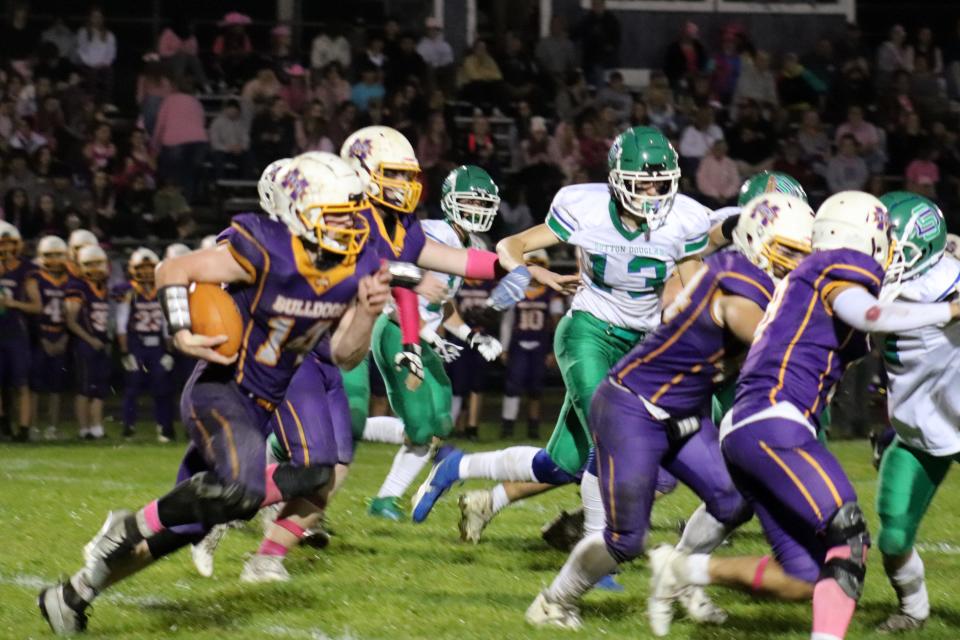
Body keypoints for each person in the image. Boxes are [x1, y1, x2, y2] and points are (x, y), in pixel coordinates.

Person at [38, 152, 394, 635]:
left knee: (243, 502)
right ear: (298, 212)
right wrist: (182, 331)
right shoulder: (266, 246)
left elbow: (344, 355)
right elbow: (173, 270)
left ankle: (74, 594)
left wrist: (369, 312)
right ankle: (129, 526)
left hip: (264, 407)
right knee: (243, 490)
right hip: (222, 392)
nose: (349, 226)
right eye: (336, 216)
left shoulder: (356, 264)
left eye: (351, 215)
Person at [647, 191, 960, 640]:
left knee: (804, 577)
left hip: (752, 425)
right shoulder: (837, 269)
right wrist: (950, 308)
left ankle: (682, 568)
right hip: (775, 419)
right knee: (849, 538)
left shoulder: (808, 277)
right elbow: (868, 314)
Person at [411, 128, 709, 566]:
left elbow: (692, 284)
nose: (650, 191)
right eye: (641, 181)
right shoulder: (584, 205)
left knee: (559, 466)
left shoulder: (687, 217)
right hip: (587, 331)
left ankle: (457, 467)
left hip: (639, 346)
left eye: (659, 182)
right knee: (610, 442)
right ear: (616, 178)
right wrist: (520, 270)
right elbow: (513, 243)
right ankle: (595, 559)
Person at [526, 192, 815, 631]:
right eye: (788, 251)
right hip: (635, 407)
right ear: (756, 241)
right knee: (626, 538)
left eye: (804, 254)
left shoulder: (763, 281)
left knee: (733, 501)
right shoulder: (739, 284)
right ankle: (553, 602)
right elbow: (773, 345)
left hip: (680, 407)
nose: (796, 262)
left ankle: (678, 579)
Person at [366, 164, 504, 518]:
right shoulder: (429, 233)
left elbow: (443, 304)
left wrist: (473, 337)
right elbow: (397, 288)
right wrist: (425, 333)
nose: (477, 210)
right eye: (470, 202)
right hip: (398, 330)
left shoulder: (467, 243)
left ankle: (387, 497)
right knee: (421, 426)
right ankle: (353, 430)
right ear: (450, 202)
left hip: (424, 337)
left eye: (482, 203)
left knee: (441, 421)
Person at [873, 193, 954, 632]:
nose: (880, 255)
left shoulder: (945, 282)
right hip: (918, 432)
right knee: (893, 535)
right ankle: (913, 609)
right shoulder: (874, 284)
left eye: (890, 247)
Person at [498, 250, 564, 440]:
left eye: (539, 265)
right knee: (512, 387)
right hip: (518, 344)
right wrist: (504, 346)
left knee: (536, 389)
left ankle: (533, 427)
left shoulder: (551, 293)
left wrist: (553, 349)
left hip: (540, 344)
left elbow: (557, 323)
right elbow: (507, 321)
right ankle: (508, 426)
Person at [114, 249, 174, 442]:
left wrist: (170, 351)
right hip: (136, 344)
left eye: (150, 268)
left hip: (157, 345)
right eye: (142, 268)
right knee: (132, 388)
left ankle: (164, 427)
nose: (147, 273)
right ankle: (128, 426)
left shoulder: (163, 290)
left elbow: (166, 322)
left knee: (162, 387)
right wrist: (124, 352)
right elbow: (121, 323)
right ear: (132, 269)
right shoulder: (128, 291)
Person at [24, 236, 71, 441]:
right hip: (39, 336)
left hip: (61, 334)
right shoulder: (34, 277)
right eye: (48, 255)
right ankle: (33, 426)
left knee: (56, 387)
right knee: (35, 386)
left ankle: (53, 426)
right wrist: (41, 337)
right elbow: (33, 313)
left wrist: (64, 338)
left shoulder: (70, 279)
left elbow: (74, 314)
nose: (53, 259)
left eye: (57, 255)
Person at [65, 244, 110, 440]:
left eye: (97, 264)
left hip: (99, 342)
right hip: (85, 344)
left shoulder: (104, 288)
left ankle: (97, 427)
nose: (94, 269)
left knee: (99, 388)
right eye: (89, 264)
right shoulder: (77, 288)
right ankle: (84, 429)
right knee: (84, 388)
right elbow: (70, 321)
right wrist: (91, 339)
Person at [0, 221, 36, 441]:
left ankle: (23, 429)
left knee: (21, 383)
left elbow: (37, 305)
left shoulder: (25, 269)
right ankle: (3, 420)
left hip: (15, 332)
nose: (5, 248)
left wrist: (13, 304)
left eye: (9, 243)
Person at [76, 7, 116, 104]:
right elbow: (81, 51)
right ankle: (91, 103)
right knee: (92, 74)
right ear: (89, 18)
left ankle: (105, 104)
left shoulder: (109, 35)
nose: (97, 19)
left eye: (99, 17)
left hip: (103, 66)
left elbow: (111, 53)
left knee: (108, 73)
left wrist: (104, 63)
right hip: (87, 65)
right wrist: (92, 65)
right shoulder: (83, 32)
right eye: (94, 17)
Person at [209, 99, 252, 180]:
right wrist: (228, 148)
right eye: (231, 110)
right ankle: (220, 181)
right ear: (225, 110)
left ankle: (245, 183)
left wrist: (241, 147)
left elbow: (246, 139)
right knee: (217, 157)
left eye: (235, 112)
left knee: (249, 157)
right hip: (222, 151)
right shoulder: (217, 123)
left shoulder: (241, 123)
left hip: (238, 150)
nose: (233, 113)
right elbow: (215, 143)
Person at [696, 139, 740, 208]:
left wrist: (726, 195)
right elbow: (702, 181)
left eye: (723, 149)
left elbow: (735, 181)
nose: (720, 151)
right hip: (710, 196)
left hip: (728, 197)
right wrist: (716, 195)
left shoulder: (730, 163)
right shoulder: (705, 162)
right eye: (718, 148)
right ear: (713, 149)